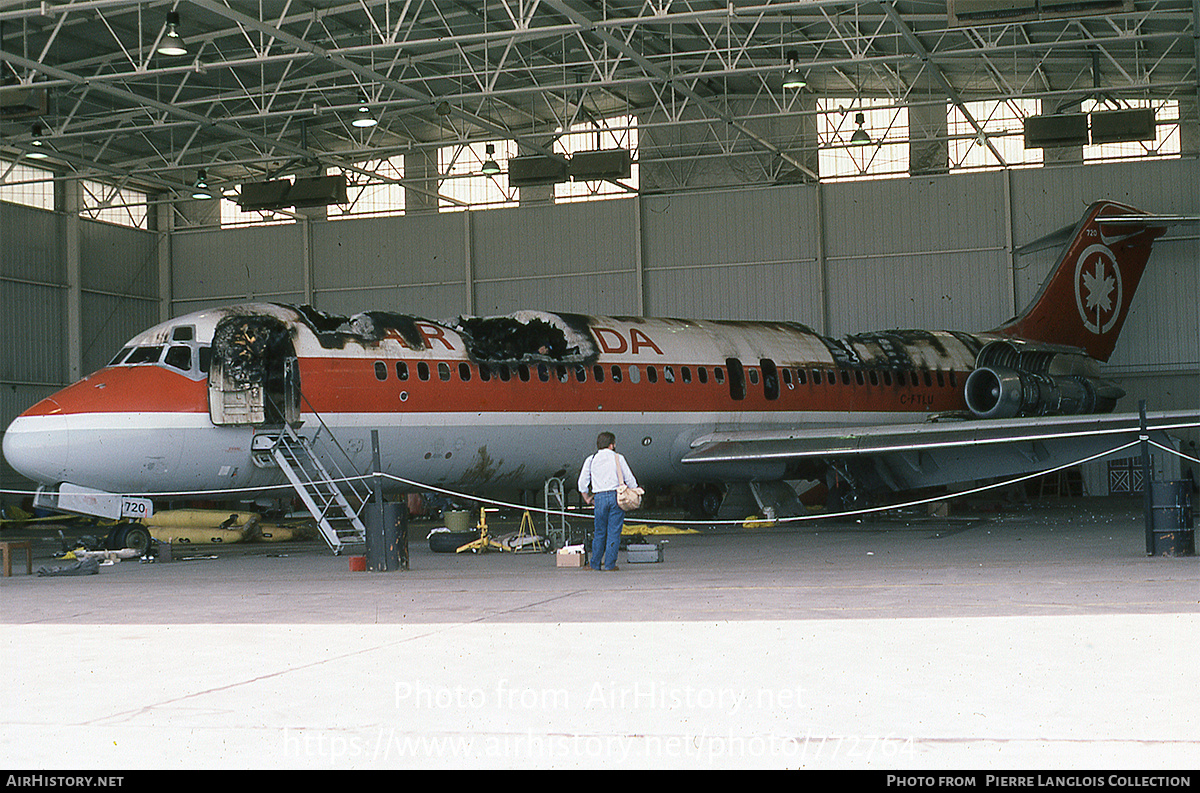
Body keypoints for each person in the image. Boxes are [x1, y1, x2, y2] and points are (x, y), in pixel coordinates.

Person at [578, 431, 638, 572]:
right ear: (612, 445)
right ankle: (610, 565)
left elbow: (582, 483)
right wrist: (635, 491)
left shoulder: (591, 459)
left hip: (599, 497)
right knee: (614, 532)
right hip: (616, 496)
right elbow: (630, 479)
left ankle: (595, 564)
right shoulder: (618, 458)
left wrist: (587, 498)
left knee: (599, 532)